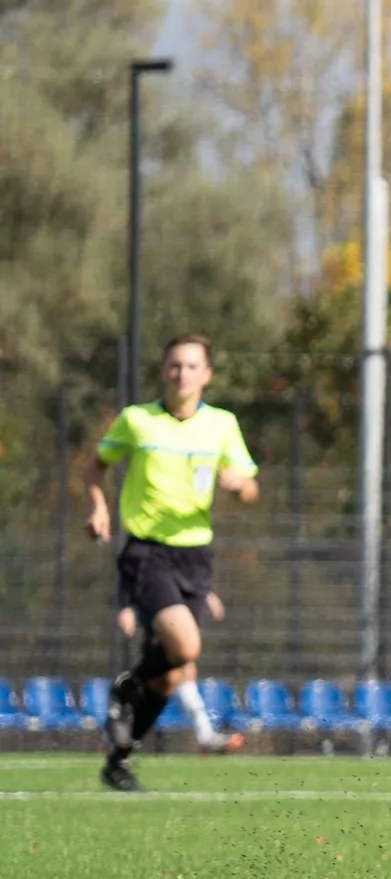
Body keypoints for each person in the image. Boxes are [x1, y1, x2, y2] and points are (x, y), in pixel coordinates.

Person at [89, 333, 257, 790]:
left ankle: (118, 760)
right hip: (147, 550)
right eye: (174, 366)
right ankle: (126, 686)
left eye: (191, 366)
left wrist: (238, 485)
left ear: (207, 374)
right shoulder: (138, 420)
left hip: (196, 556)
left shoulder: (222, 425)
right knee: (184, 648)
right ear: (164, 371)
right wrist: (100, 506)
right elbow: (97, 464)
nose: (181, 374)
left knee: (170, 678)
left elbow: (249, 485)